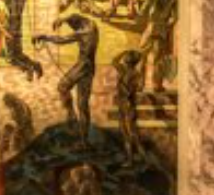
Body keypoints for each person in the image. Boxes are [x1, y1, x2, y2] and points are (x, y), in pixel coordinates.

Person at [35, 15, 99, 146]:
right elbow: (75, 17)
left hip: (82, 65)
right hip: (90, 67)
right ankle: (84, 141)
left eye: (74, 27)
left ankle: (71, 114)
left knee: (62, 86)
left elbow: (61, 40)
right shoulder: (92, 25)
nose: (74, 30)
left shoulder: (83, 32)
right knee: (83, 105)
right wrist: (64, 20)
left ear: (78, 25)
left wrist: (44, 37)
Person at [139, 0, 178, 91]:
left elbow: (142, 12)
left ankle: (141, 84)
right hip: (160, 30)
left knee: (144, 57)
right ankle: (155, 85)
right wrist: (166, 25)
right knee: (157, 58)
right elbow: (174, 17)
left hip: (152, 28)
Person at [113, 49, 145, 163]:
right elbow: (114, 61)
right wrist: (124, 51)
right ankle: (139, 155)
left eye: (126, 56)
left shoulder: (132, 72)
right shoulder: (124, 70)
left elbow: (139, 88)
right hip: (123, 104)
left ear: (130, 60)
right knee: (128, 132)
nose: (124, 58)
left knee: (128, 132)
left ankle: (131, 158)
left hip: (128, 104)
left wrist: (128, 89)